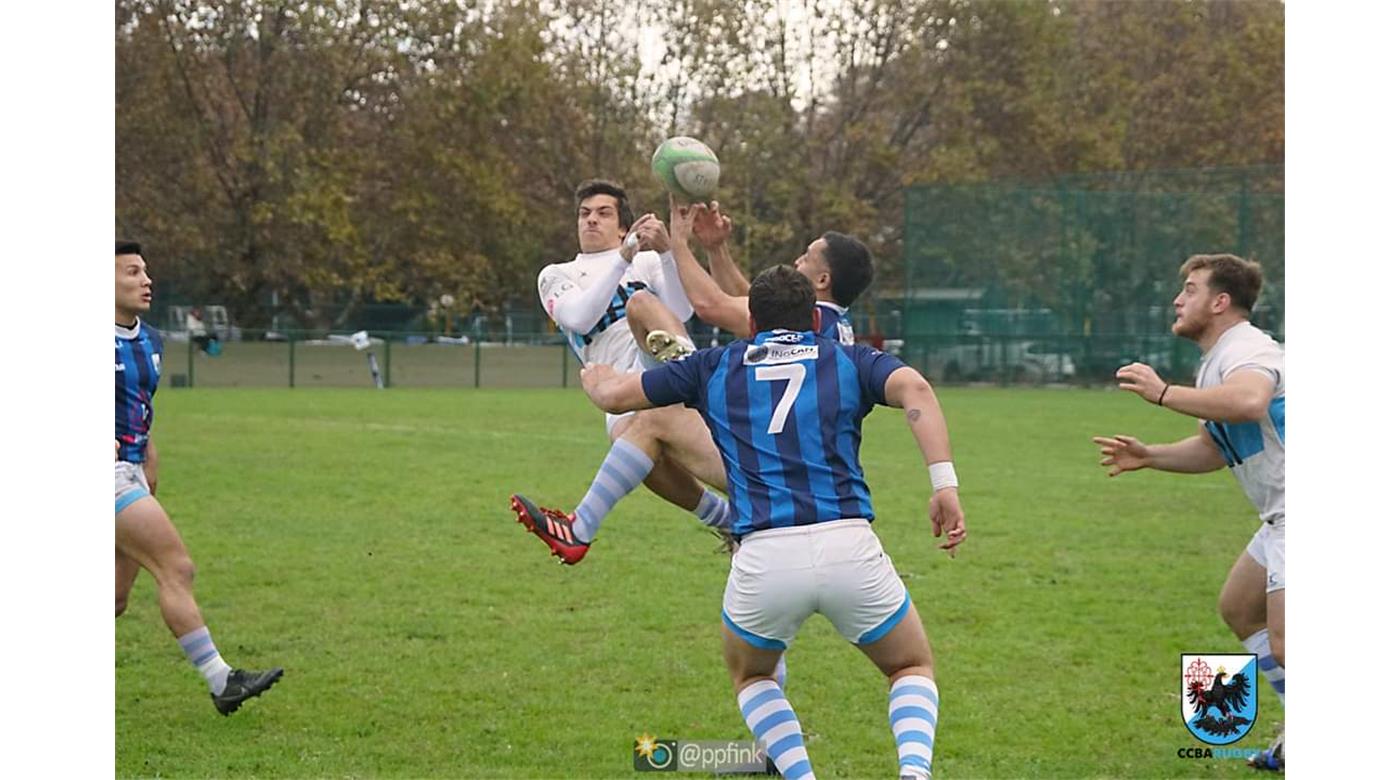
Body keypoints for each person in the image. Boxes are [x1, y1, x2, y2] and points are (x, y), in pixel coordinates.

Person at [576, 264, 965, 780]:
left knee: (753, 676)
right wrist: (943, 485)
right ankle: (914, 774)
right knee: (909, 666)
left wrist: (597, 379)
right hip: (849, 545)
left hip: (764, 555)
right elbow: (915, 389)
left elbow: (616, 399)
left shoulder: (713, 366)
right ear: (813, 318)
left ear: (752, 319)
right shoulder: (848, 359)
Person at [513, 198, 876, 564]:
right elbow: (749, 299)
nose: (797, 260)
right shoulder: (824, 322)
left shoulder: (813, 318)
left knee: (649, 421)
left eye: (806, 257)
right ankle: (717, 517)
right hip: (803, 466)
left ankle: (582, 529)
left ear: (822, 279)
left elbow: (711, 305)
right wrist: (716, 248)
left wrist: (679, 242)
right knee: (641, 426)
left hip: (779, 465)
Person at [1093, 253, 1284, 770]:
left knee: (1289, 641)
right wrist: (1150, 456)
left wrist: (1162, 394)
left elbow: (1249, 402)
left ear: (1221, 302)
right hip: (1281, 516)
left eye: (1191, 289)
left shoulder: (1246, 348)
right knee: (1240, 608)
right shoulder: (1218, 358)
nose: (1178, 299)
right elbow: (1217, 447)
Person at [514, 180, 737, 560]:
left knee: (640, 303)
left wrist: (668, 252)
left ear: (623, 225)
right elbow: (580, 319)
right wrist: (622, 256)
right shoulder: (556, 273)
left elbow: (680, 314)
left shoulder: (646, 261)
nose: (591, 220)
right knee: (641, 455)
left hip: (654, 363)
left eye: (603, 213)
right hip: (617, 385)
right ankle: (729, 519)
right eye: (584, 214)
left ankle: (700, 389)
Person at [115, 240, 283, 715]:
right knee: (177, 567)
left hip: (131, 472)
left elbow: (138, 410)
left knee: (115, 598)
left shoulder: (149, 341)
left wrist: (149, 455)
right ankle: (221, 680)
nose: (146, 280)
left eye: (145, 271)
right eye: (131, 272)